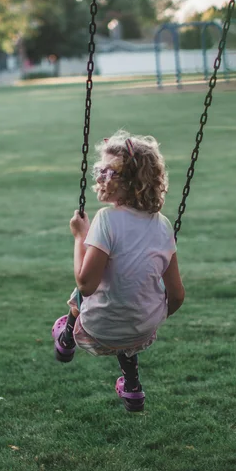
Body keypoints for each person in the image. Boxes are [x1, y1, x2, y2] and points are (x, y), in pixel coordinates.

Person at [52, 130, 185, 411]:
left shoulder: (106, 220)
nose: (100, 177)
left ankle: (66, 339)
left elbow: (86, 284)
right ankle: (132, 385)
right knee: (127, 299)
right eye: (99, 170)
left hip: (97, 329)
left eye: (108, 172)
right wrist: (149, 318)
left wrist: (80, 236)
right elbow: (177, 295)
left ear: (129, 182)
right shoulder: (162, 225)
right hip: (143, 332)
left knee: (82, 293)